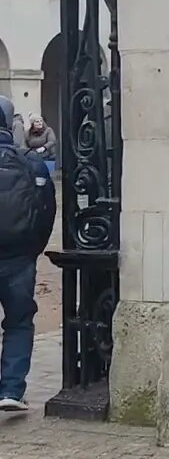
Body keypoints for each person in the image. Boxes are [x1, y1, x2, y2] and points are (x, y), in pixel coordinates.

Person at [0, 95, 57, 412]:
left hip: (19, 255)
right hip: (20, 258)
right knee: (19, 321)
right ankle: (10, 388)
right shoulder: (30, 163)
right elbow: (47, 209)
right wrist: (33, 248)